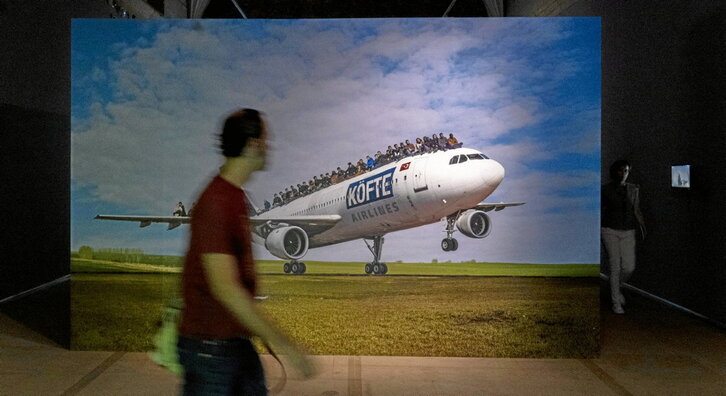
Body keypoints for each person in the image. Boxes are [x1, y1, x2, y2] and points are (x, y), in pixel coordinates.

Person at [177, 108, 314, 395]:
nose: (269, 147)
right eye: (266, 139)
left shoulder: (234, 196)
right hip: (211, 352)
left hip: (234, 344)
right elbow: (226, 288)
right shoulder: (216, 202)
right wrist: (286, 345)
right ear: (252, 145)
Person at [601, 159, 646, 314]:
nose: (623, 174)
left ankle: (616, 287)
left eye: (626, 171)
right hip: (609, 230)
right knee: (615, 266)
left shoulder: (633, 189)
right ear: (614, 172)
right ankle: (616, 303)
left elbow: (636, 209)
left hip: (628, 231)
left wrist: (643, 227)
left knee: (628, 267)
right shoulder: (605, 190)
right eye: (620, 170)